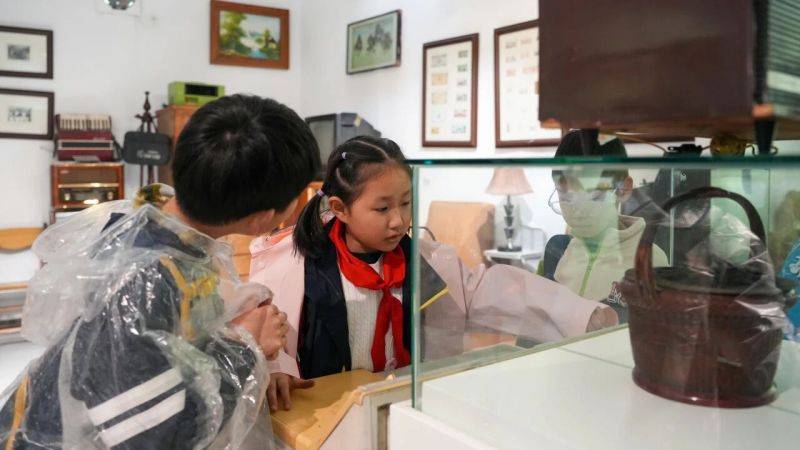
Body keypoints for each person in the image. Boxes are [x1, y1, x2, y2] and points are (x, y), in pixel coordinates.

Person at [0, 94, 320, 449]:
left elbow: (163, 350)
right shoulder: (142, 282)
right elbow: (156, 436)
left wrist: (228, 319)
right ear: (263, 218)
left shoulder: (152, 224)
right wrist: (245, 346)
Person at [248, 136, 618, 412]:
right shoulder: (295, 267)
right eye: (382, 208)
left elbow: (498, 289)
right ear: (340, 208)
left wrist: (583, 315)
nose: (399, 221)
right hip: (329, 415)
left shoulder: (427, 262)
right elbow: (266, 333)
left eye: (406, 203)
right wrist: (275, 368)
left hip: (402, 404)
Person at [541, 130, 668, 321]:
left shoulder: (649, 260)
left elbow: (654, 332)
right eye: (565, 196)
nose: (578, 211)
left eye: (594, 196)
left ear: (623, 190)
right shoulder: (562, 252)